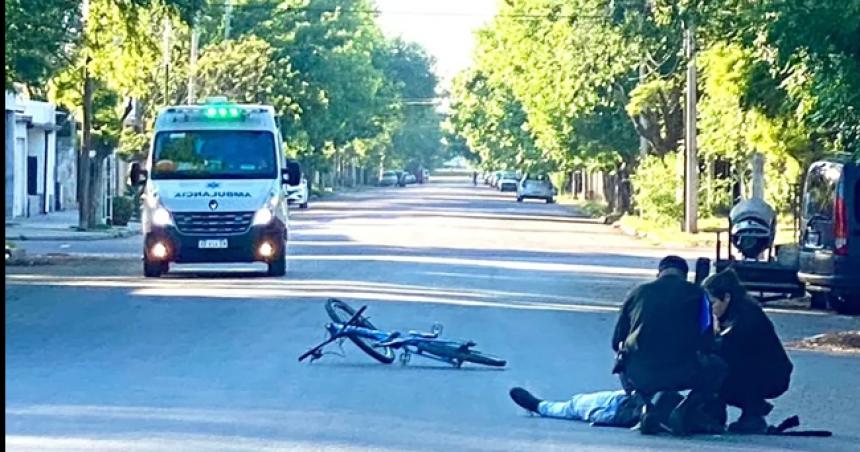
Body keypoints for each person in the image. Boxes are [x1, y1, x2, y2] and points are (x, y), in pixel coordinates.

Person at [611, 255, 727, 435]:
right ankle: (684, 409)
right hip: (683, 372)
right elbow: (707, 341)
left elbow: (616, 340)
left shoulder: (637, 293)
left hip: (640, 374)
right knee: (718, 367)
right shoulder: (698, 294)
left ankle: (644, 406)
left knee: (621, 359)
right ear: (685, 275)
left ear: (659, 273)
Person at [701, 269, 793, 434]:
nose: (710, 309)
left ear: (727, 298)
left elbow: (726, 350)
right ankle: (745, 409)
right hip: (751, 368)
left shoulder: (747, 316)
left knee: (716, 370)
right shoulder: (727, 314)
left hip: (771, 374)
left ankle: (752, 412)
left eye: (713, 303)